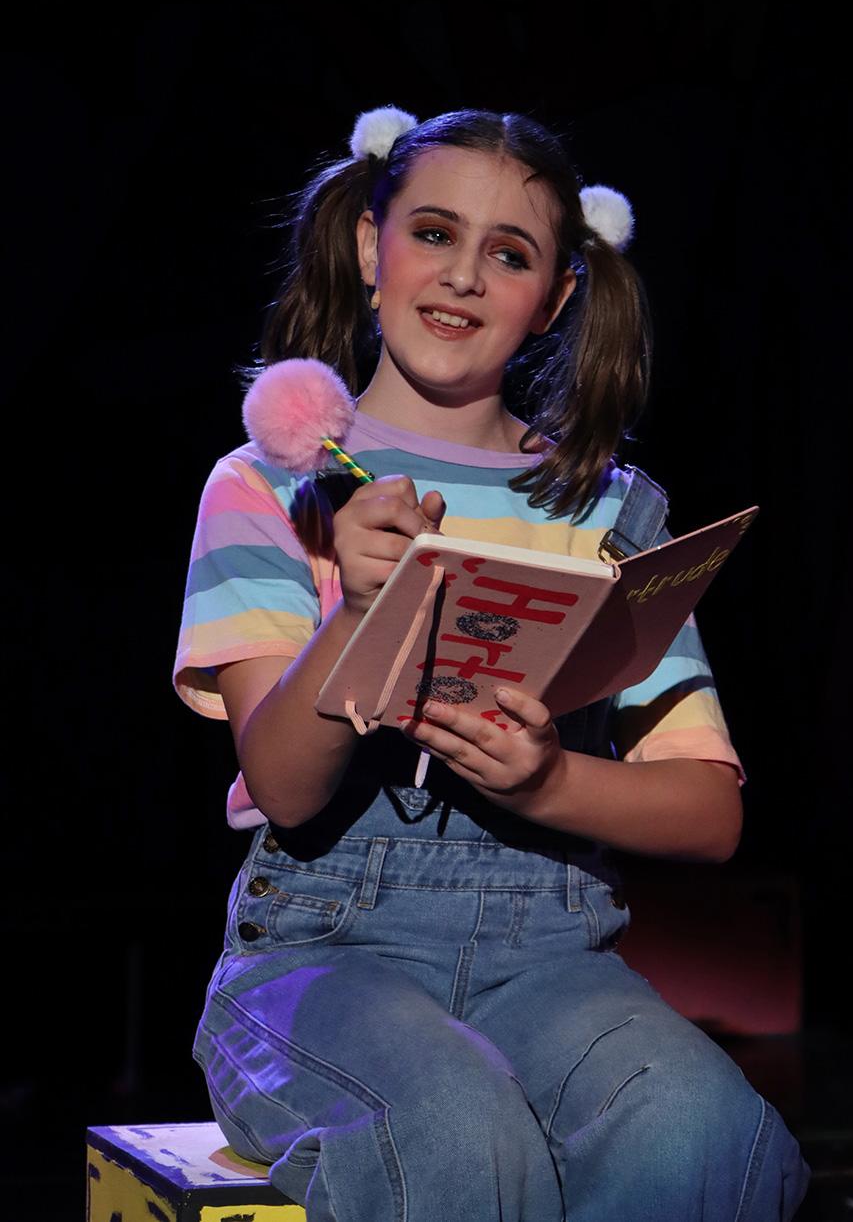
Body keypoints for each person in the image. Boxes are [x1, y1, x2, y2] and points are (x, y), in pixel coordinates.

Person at [174, 106, 810, 1222]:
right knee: (454, 1132)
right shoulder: (272, 485)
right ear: (370, 248)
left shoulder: (604, 510)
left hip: (553, 964)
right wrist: (354, 610)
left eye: (509, 254)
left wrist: (547, 779)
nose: (464, 276)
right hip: (323, 957)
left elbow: (709, 813)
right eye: (433, 233)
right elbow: (282, 784)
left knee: (705, 1128)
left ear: (555, 297)